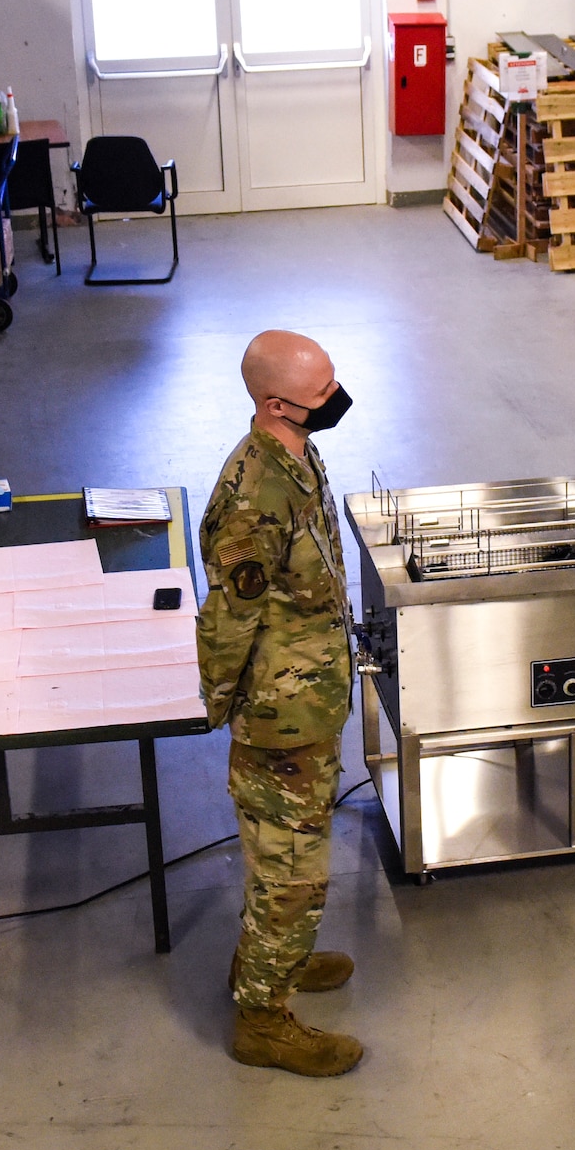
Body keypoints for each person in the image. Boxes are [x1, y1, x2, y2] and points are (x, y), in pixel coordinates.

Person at [196, 330, 361, 1077]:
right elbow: (230, 617)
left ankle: (272, 961)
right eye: (322, 393)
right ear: (275, 402)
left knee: (290, 854)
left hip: (311, 697)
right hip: (279, 717)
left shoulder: (296, 451)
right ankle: (263, 1017)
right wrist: (223, 706)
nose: (336, 400)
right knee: (291, 869)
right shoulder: (254, 496)